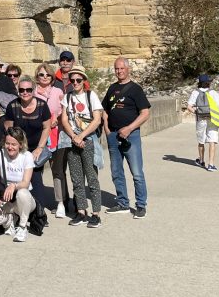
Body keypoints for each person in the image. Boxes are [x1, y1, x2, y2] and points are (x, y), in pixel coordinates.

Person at [102, 58, 150, 217]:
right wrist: (107, 129)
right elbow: (105, 110)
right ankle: (122, 203)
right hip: (113, 135)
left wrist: (129, 129)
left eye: (122, 68)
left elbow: (145, 113)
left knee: (136, 172)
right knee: (116, 171)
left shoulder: (135, 89)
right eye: (116, 68)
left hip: (131, 136)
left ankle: (141, 205)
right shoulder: (112, 88)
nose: (119, 71)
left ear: (128, 69)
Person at [60, 66, 104, 227]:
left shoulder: (91, 96)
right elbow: (64, 119)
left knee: (92, 177)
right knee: (76, 178)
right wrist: (73, 136)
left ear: (84, 80)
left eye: (78, 80)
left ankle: (96, 213)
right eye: (72, 80)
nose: (75, 83)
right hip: (73, 140)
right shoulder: (67, 97)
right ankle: (81, 211)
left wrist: (81, 136)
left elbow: (97, 120)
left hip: (88, 140)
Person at [0, 127, 36, 242]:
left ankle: (23, 227)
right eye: (7, 143)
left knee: (22, 193)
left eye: (14, 144)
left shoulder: (27, 156)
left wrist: (13, 186)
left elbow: (26, 182)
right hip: (6, 198)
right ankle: (9, 220)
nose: (10, 147)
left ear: (21, 145)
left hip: (23, 200)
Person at [35, 64, 66, 215]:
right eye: (41, 74)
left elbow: (64, 110)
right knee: (37, 168)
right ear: (37, 77)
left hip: (56, 134)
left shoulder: (58, 91)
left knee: (57, 169)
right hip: (39, 135)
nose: (45, 77)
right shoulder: (33, 93)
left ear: (52, 77)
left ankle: (60, 202)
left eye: (47, 75)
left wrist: (57, 119)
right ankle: (37, 201)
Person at [4, 76, 51, 168]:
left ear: (33, 90)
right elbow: (9, 130)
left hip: (36, 151)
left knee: (37, 181)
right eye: (22, 90)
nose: (25, 92)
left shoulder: (42, 105)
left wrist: (40, 148)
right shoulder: (12, 106)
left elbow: (46, 127)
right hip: (18, 150)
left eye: (28, 90)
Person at [186, 73, 219, 171]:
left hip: (200, 119)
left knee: (201, 140)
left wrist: (197, 112)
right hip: (212, 119)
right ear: (208, 83)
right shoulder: (213, 93)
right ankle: (211, 164)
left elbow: (189, 107)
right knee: (212, 140)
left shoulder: (195, 92)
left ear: (199, 83)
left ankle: (201, 161)